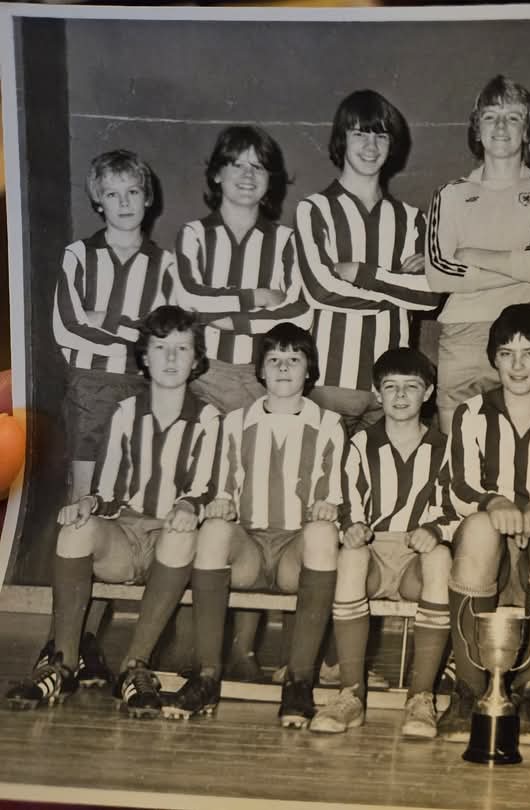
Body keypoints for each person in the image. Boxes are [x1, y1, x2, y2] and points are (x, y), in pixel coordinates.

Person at [8, 306, 218, 718]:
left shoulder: (209, 418)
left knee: (181, 534)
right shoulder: (124, 412)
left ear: (196, 360)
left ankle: (133, 667)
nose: (171, 358)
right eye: (161, 348)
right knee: (76, 529)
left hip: (172, 543)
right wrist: (87, 503)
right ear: (144, 356)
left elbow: (208, 488)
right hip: (125, 538)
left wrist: (188, 505)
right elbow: (105, 490)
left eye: (182, 349)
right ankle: (63, 662)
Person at [174, 124, 312, 680]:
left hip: (261, 384)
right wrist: (253, 300)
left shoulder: (282, 242)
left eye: (260, 167)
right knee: (199, 499)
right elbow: (184, 302)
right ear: (216, 174)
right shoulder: (193, 234)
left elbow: (296, 316)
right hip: (204, 380)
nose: (248, 176)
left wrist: (221, 312)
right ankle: (190, 645)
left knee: (258, 508)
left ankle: (247, 650)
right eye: (238, 165)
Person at [162, 323, 346, 728]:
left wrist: (328, 507)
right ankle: (208, 675)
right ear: (260, 371)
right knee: (212, 530)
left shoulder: (329, 423)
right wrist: (221, 504)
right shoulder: (236, 421)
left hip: (293, 555)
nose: (283, 367)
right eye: (274, 359)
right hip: (249, 550)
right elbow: (223, 486)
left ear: (309, 370)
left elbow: (332, 492)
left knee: (321, 533)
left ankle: (298, 681)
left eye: (294, 359)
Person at [437, 304, 530, 746]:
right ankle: (466, 690)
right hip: (486, 554)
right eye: (506, 353)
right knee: (482, 526)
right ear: (493, 358)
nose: (518, 365)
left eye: (529, 353)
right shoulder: (471, 413)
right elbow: (459, 486)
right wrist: (496, 501)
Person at [309, 348, 454, 739]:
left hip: (415, 560)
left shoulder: (445, 448)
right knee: (352, 556)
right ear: (377, 393)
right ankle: (350, 693)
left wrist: (436, 530)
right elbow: (347, 499)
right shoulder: (359, 443)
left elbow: (455, 505)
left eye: (412, 387)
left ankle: (421, 696)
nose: (401, 396)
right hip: (374, 552)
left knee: (441, 558)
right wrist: (353, 527)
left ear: (428, 393)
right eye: (391, 387)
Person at [426, 75, 530, 432]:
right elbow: (439, 274)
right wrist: (523, 259)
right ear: (477, 130)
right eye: (491, 116)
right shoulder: (450, 195)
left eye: (513, 117)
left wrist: (471, 253)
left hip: (525, 334)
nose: (501, 126)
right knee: (455, 451)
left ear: (528, 131)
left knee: (527, 448)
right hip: (462, 336)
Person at [295, 90, 441, 437]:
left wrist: (364, 274)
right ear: (341, 140)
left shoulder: (412, 219)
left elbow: (430, 296)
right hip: (329, 383)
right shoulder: (314, 209)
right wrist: (397, 289)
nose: (371, 146)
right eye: (359, 134)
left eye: (381, 135)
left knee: (385, 488)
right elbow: (320, 290)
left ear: (393, 145)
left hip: (394, 387)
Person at [53, 150, 176, 502]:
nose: (124, 203)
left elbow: (161, 337)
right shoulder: (78, 255)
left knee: (131, 487)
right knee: (83, 492)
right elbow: (67, 327)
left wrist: (105, 319)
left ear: (147, 198)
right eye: (112, 194)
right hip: (89, 384)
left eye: (133, 192)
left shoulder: (166, 264)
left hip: (143, 385)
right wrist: (135, 332)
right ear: (98, 201)